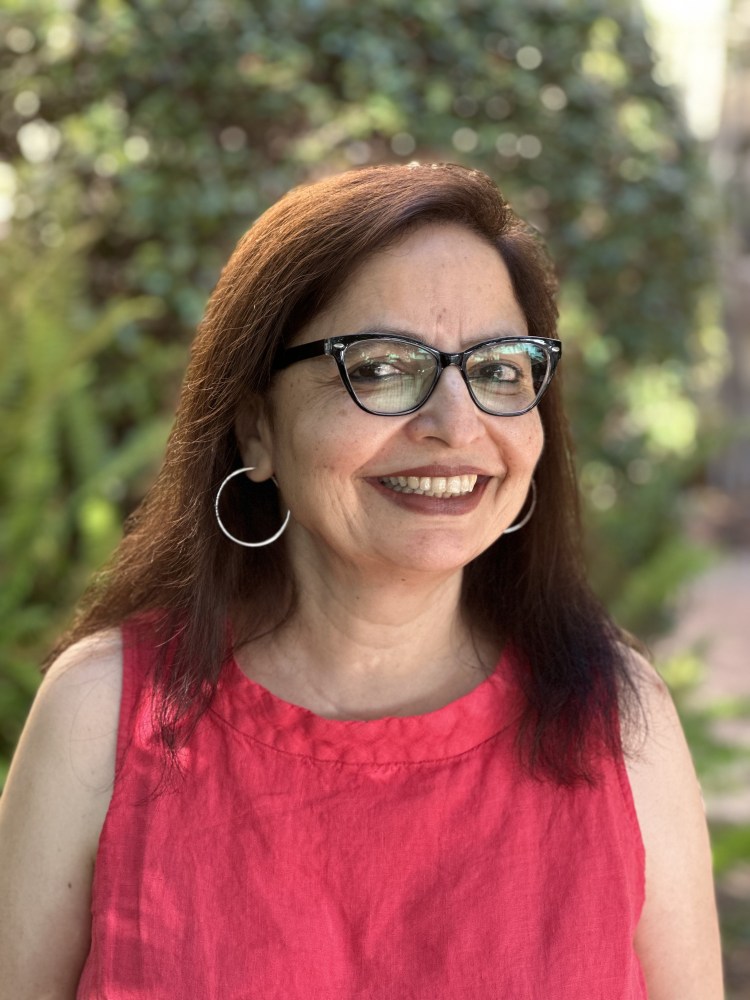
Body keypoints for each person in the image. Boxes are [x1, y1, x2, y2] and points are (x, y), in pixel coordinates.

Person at [0, 162, 722, 999]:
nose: (457, 426)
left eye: (496, 370)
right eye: (381, 367)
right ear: (256, 429)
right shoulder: (103, 715)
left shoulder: (618, 720)